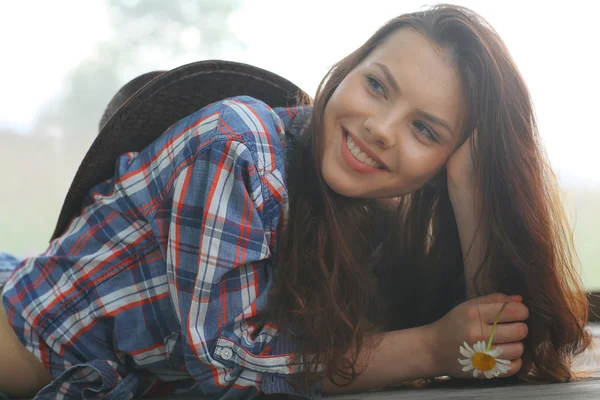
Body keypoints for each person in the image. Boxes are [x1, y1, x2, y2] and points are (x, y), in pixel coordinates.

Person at [0, 4, 592, 399]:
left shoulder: (386, 211)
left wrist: (473, 189)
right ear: (348, 67)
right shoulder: (237, 147)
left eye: (427, 131)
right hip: (23, 337)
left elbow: (502, 352)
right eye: (377, 85)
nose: (382, 128)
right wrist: (428, 346)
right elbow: (226, 366)